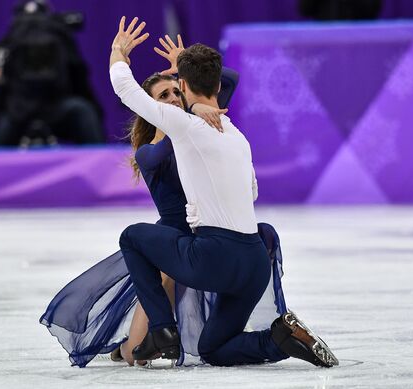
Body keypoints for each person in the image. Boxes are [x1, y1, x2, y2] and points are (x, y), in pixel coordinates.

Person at [40, 34, 287, 367]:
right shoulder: (153, 151)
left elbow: (222, 81)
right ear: (153, 108)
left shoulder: (192, 126)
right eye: (163, 96)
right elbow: (183, 122)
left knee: (264, 235)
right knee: (135, 354)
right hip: (175, 239)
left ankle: (255, 333)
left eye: (175, 90)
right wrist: (192, 103)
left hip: (209, 240)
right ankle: (135, 345)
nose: (172, 98)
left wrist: (189, 78)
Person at [110, 16, 338, 367]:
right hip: (253, 262)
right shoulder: (235, 135)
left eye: (176, 89)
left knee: (131, 237)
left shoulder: (185, 127)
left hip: (213, 254)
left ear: (183, 86)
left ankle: (163, 331)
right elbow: (251, 192)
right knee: (213, 349)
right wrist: (192, 85)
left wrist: (117, 51)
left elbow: (123, 87)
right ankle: (281, 341)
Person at [0, 0, 104, 147]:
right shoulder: (61, 35)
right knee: (84, 110)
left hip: (17, 112)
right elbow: (80, 78)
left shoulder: (7, 43)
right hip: (51, 108)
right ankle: (104, 166)